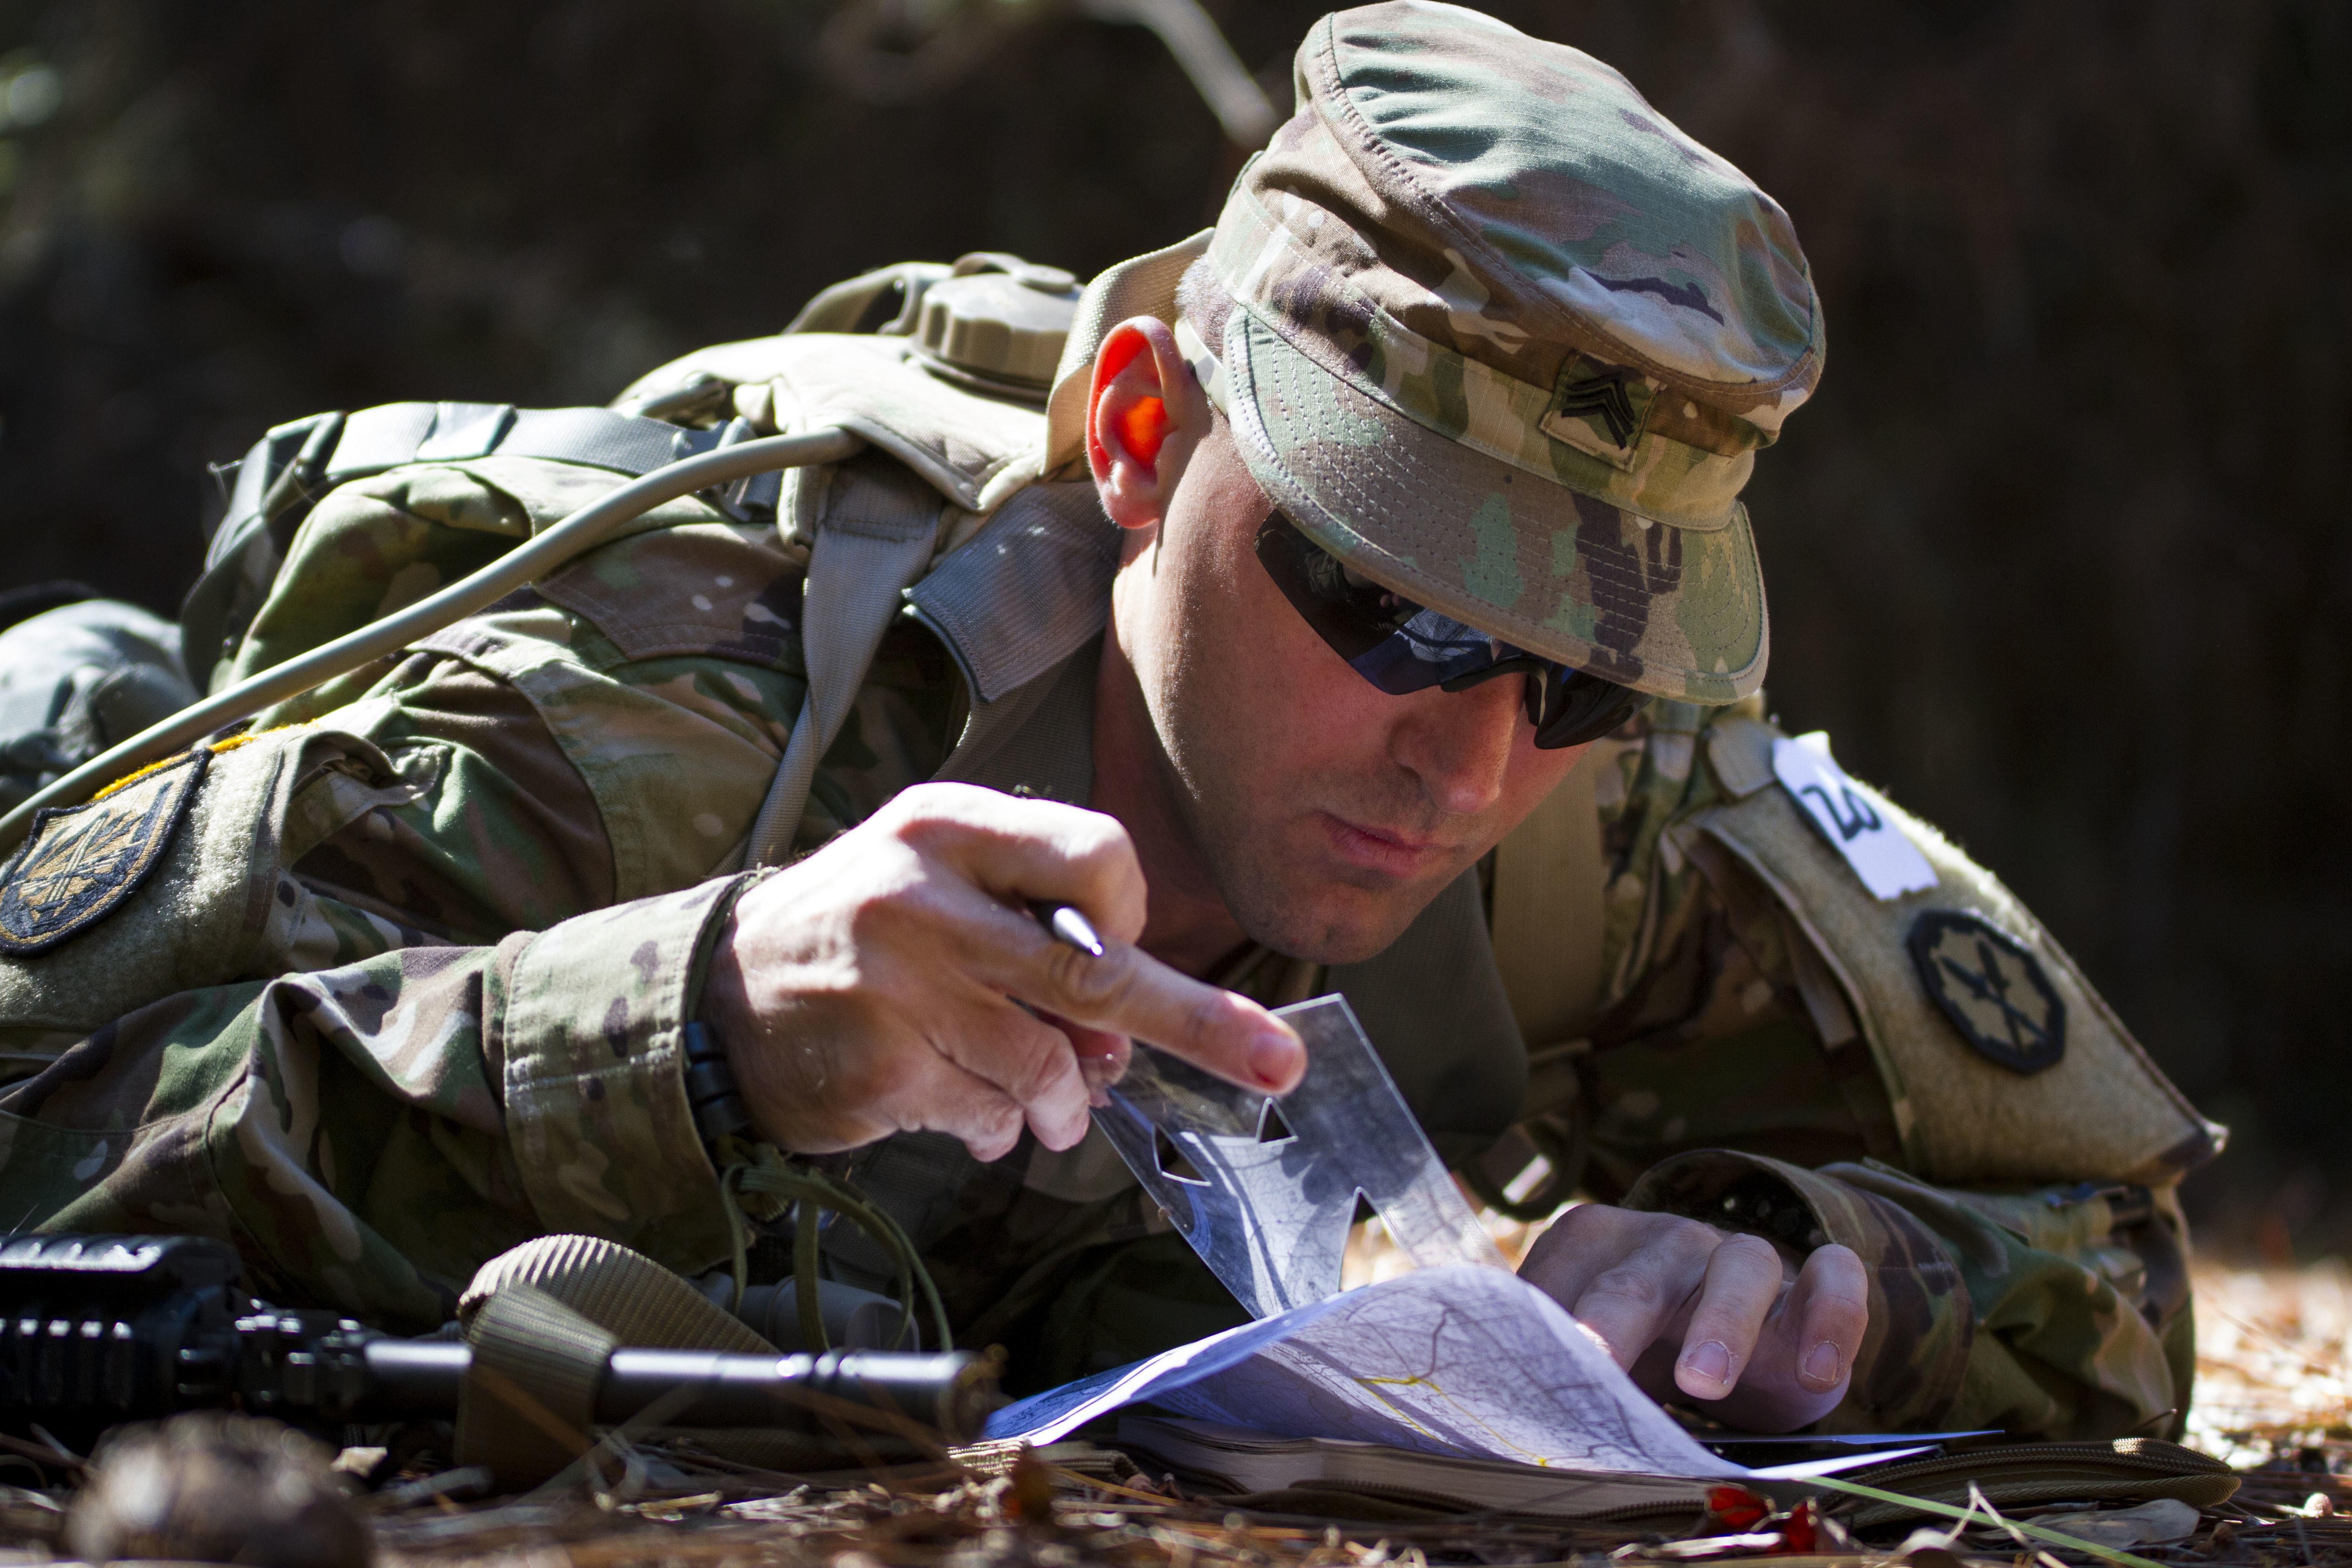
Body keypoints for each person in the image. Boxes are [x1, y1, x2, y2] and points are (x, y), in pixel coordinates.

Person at [0, 1, 2216, 1440]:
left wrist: (1821, 1267)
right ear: (1139, 434)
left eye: (1584, 679)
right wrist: (688, 1025)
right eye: (1396, 611)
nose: (1472, 766)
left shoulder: (1579, 819)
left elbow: (2116, 1260)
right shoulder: (663, 728)